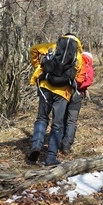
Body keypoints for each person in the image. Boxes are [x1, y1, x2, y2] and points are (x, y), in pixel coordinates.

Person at [27, 33, 83, 166]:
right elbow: (79, 77)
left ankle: (36, 146)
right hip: (63, 93)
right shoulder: (78, 56)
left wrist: (37, 65)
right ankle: (51, 157)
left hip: (45, 86)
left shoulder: (52, 46)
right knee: (57, 125)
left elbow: (33, 49)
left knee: (42, 118)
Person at [61, 51, 94, 155]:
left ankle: (58, 142)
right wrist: (78, 87)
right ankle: (66, 146)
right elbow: (88, 82)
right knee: (72, 120)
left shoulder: (72, 62)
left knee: (62, 117)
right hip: (78, 95)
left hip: (65, 92)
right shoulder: (89, 68)